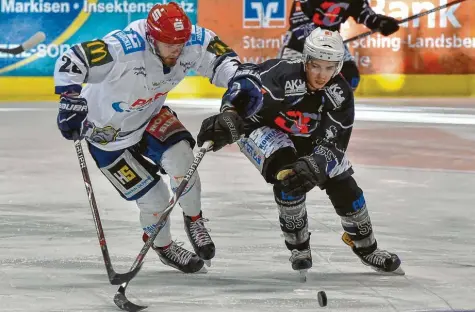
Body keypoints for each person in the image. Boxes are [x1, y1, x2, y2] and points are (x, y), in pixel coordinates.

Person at [53, 2, 258, 274]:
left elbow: (225, 63)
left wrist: (240, 82)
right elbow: (73, 58)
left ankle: (194, 219)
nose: (177, 49)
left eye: (181, 42)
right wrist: (70, 99)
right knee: (156, 200)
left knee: (183, 160)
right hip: (105, 136)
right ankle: (163, 246)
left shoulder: (192, 41)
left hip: (149, 116)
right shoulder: (123, 47)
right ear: (151, 38)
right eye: (169, 43)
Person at [197, 27, 404, 279]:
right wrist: (229, 112)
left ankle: (367, 248)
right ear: (305, 59)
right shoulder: (282, 74)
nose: (321, 75)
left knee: (345, 186)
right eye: (316, 66)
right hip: (261, 129)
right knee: (288, 176)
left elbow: (336, 142)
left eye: (330, 68)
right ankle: (298, 247)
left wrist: (315, 165)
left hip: (310, 138)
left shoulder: (340, 94)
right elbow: (245, 77)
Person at [278, 0, 400, 90]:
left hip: (332, 41)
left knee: (350, 77)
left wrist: (381, 23)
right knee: (289, 84)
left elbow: (364, 14)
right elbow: (298, 20)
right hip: (299, 43)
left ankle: (328, 114)